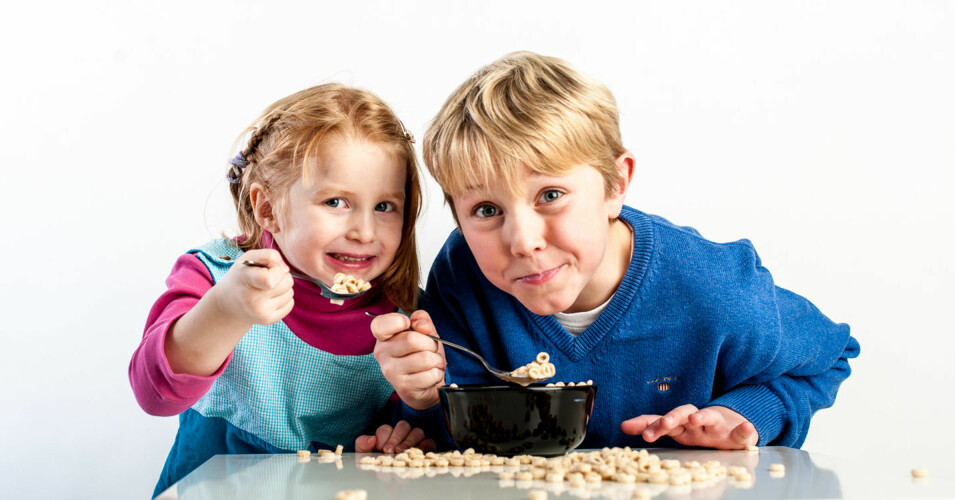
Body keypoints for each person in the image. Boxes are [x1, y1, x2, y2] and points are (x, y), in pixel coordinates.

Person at [371, 51, 860, 452]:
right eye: (485, 210)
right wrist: (419, 397)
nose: (521, 240)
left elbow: (830, 356)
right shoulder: (462, 276)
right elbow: (454, 434)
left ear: (615, 185)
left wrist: (750, 412)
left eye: (550, 195)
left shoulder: (712, 290)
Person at [129, 83, 433, 498]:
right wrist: (226, 311)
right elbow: (154, 395)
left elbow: (423, 436)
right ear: (267, 208)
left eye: (384, 207)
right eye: (336, 202)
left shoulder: (406, 318)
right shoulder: (216, 275)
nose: (364, 232)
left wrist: (409, 423)